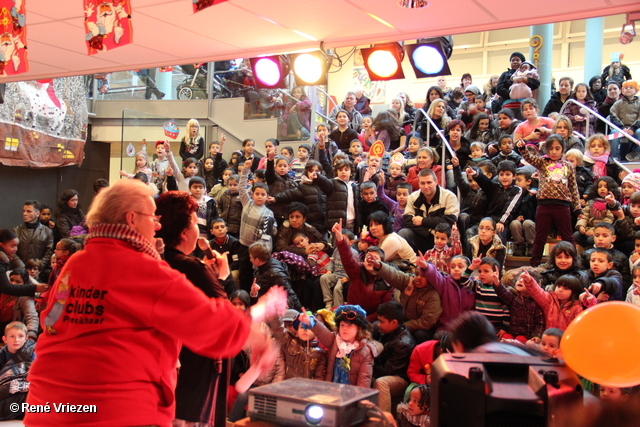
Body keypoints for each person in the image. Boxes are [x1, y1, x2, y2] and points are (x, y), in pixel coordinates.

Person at [24, 179, 284, 426]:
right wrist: (256, 336)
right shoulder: (139, 267)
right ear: (131, 219)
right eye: (152, 218)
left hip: (47, 404)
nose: (157, 225)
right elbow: (210, 323)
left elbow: (53, 320)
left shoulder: (76, 263)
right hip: (114, 408)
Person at [154, 190, 232, 426]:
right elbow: (225, 314)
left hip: (169, 361)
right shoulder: (192, 267)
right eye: (196, 222)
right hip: (196, 363)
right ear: (186, 231)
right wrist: (222, 277)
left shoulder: (157, 259)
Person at [516, 134, 582, 267]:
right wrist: (523, 148)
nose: (554, 151)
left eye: (557, 148)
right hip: (544, 206)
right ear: (546, 150)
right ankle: (534, 264)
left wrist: (577, 208)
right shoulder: (542, 162)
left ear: (562, 150)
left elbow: (573, 188)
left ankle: (574, 264)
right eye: (551, 148)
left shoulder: (568, 166)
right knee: (540, 237)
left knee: (567, 236)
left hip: (562, 206)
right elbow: (529, 157)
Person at [299, 304, 375, 387]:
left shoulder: (365, 351)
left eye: (349, 325)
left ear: (359, 328)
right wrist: (310, 321)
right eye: (342, 325)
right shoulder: (335, 341)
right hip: (333, 390)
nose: (345, 328)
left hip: (352, 395)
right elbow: (322, 332)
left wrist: (360, 398)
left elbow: (364, 378)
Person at [399, 168, 459, 253]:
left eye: (429, 182)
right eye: (422, 183)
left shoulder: (449, 196)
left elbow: (450, 222)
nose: (426, 186)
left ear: (436, 182)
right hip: (422, 235)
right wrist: (430, 231)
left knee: (450, 236)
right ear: (419, 184)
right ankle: (412, 262)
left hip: (442, 237)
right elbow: (407, 222)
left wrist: (423, 221)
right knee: (404, 233)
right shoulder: (412, 197)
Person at [372, 301, 416, 413]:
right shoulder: (386, 331)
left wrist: (367, 365)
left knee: (381, 382)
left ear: (394, 322)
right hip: (382, 368)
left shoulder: (403, 343)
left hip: (400, 378)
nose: (378, 324)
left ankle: (384, 422)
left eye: (382, 321)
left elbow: (387, 371)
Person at [0, 322, 36, 421]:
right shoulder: (1, 356)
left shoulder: (33, 354)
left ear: (26, 338)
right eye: (12, 336)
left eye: (20, 336)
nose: (16, 340)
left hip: (26, 391)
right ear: (5, 339)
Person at [13, 200, 53, 282]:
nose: (25, 213)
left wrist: (37, 268)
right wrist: (23, 268)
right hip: (19, 274)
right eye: (24, 211)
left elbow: (49, 252)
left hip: (39, 275)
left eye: (29, 211)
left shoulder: (47, 231)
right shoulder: (16, 230)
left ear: (37, 214)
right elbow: (12, 253)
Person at [496, 52, 541, 120]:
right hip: (508, 105)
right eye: (513, 60)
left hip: (524, 106)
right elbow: (499, 89)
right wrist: (512, 93)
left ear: (522, 62)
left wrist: (525, 79)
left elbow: (536, 84)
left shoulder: (529, 73)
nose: (515, 62)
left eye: (517, 60)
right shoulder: (505, 74)